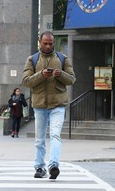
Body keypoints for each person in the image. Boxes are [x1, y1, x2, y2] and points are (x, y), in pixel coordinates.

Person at [22, 31, 76, 180]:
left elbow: (72, 79)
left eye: (50, 43)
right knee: (39, 139)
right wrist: (41, 75)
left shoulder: (62, 58)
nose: (47, 46)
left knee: (55, 135)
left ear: (54, 43)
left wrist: (61, 75)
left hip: (58, 104)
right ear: (40, 42)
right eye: (45, 43)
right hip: (39, 105)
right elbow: (26, 81)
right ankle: (39, 167)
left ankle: (53, 165)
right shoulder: (32, 59)